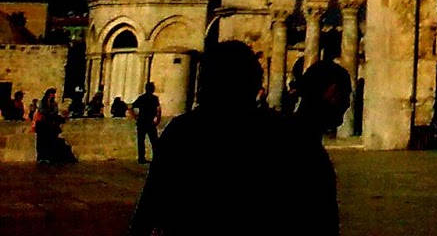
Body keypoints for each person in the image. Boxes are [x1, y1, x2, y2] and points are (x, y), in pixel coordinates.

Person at [128, 41, 337, 236]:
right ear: (254, 82)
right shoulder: (284, 135)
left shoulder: (183, 131)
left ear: (205, 81)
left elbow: (149, 206)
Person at [33, 88, 75, 165]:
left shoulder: (54, 104)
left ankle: (48, 157)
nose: (52, 95)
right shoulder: (42, 102)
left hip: (50, 125)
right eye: (51, 93)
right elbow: (42, 111)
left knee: (49, 142)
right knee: (41, 142)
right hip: (42, 125)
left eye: (53, 94)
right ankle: (41, 157)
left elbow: (55, 112)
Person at [132, 81, 162, 164]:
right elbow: (158, 110)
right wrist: (158, 120)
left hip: (141, 121)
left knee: (141, 141)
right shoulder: (154, 98)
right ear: (152, 89)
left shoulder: (141, 98)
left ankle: (141, 158)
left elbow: (132, 106)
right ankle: (156, 157)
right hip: (150, 122)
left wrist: (136, 117)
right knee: (154, 141)